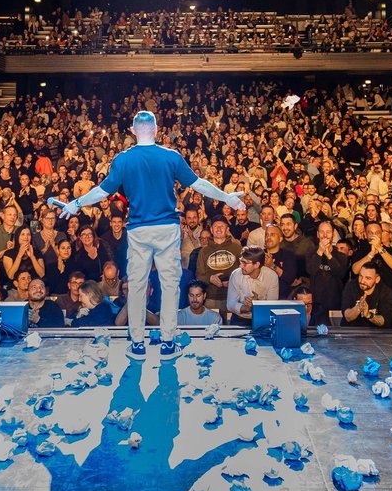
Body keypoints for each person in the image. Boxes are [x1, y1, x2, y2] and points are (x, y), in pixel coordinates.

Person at [49, 110, 246, 357]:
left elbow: (102, 191)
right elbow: (199, 184)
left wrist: (75, 204)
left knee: (138, 286)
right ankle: (167, 342)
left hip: (139, 230)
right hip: (166, 228)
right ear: (156, 129)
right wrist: (228, 197)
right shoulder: (171, 156)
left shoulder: (122, 159)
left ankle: (138, 343)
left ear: (132, 131)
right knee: (170, 285)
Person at [225, 246, 279, 322]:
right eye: (241, 261)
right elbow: (230, 304)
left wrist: (257, 304)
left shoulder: (271, 276)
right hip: (240, 318)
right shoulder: (236, 274)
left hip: (263, 318)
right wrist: (247, 308)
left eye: (244, 263)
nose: (240, 266)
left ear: (256, 264)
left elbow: (272, 306)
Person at [340, 260, 392, 327]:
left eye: (368, 278)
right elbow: (347, 317)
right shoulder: (351, 286)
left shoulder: (385, 291)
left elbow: (385, 321)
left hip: (375, 334)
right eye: (361, 276)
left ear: (377, 279)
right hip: (351, 332)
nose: (362, 281)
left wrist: (368, 315)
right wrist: (358, 308)